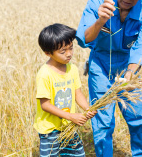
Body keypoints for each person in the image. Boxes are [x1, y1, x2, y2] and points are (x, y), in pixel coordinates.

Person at [76, 0, 142, 156]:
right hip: (101, 65)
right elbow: (85, 39)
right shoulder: (95, 4)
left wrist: (129, 75)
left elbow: (141, 48)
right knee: (103, 121)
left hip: (130, 65)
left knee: (135, 116)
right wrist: (100, 21)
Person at [33, 23, 97, 157]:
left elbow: (77, 93)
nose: (69, 54)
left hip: (68, 126)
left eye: (71, 48)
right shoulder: (45, 74)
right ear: (47, 53)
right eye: (63, 51)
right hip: (50, 130)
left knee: (78, 154)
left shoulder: (71, 68)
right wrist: (71, 116)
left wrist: (87, 108)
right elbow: (45, 105)